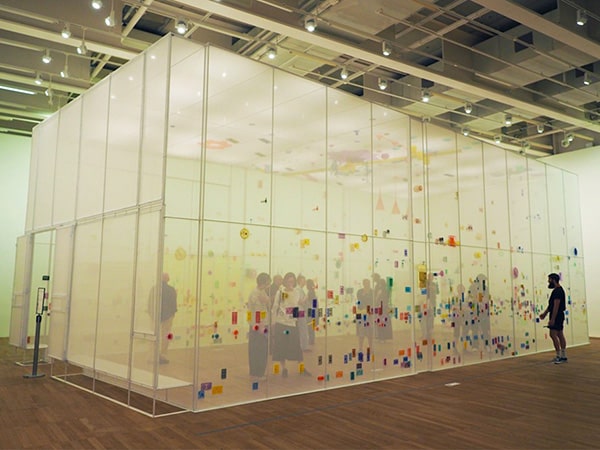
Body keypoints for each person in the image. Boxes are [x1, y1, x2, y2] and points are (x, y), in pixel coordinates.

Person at [271, 272, 311, 377]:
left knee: (297, 347)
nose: (290, 284)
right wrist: (273, 322)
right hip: (281, 323)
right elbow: (275, 307)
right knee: (281, 347)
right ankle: (284, 369)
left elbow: (296, 305)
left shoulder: (296, 292)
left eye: (292, 282)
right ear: (285, 281)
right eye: (289, 281)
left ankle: (301, 368)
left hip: (292, 324)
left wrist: (304, 301)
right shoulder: (280, 292)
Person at [148, 272, 178, 364]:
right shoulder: (171, 290)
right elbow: (173, 304)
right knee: (166, 336)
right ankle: (163, 355)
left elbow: (150, 302)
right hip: (167, 316)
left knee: (154, 335)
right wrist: (172, 313)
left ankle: (153, 355)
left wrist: (151, 313)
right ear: (167, 279)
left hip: (155, 316)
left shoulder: (154, 289)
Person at [539, 273, 567, 364]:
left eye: (549, 279)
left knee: (553, 334)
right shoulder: (557, 290)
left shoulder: (558, 291)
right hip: (558, 315)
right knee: (559, 334)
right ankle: (563, 356)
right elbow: (551, 305)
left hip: (557, 315)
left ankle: (559, 356)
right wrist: (545, 314)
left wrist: (553, 319)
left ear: (553, 280)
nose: (548, 281)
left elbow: (556, 306)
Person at [247, 272, 271, 379]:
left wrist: (267, 301)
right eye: (268, 282)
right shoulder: (256, 294)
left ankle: (256, 372)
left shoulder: (262, 292)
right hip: (259, 326)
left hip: (260, 325)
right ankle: (258, 373)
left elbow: (268, 304)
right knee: (259, 350)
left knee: (258, 349)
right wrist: (261, 326)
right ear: (264, 283)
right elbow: (257, 312)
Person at [355, 278, 375, 352]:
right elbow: (359, 301)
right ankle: (360, 348)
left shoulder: (372, 292)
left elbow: (372, 302)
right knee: (361, 332)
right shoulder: (359, 292)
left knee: (370, 332)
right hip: (361, 313)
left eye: (368, 283)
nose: (367, 285)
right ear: (363, 284)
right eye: (366, 283)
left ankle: (371, 347)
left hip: (369, 314)